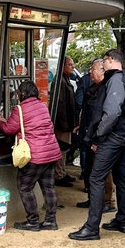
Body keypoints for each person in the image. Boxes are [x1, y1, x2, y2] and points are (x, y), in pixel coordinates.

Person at [68, 49, 125, 241]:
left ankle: (92, 227)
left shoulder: (115, 79)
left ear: (109, 61)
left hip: (112, 138)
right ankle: (122, 220)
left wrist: (99, 135)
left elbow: (112, 112)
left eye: (103, 63)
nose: (101, 67)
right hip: (123, 137)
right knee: (121, 178)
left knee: (96, 178)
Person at [0, 80, 62, 231]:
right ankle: (50, 221)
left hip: (34, 155)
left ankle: (32, 221)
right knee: (48, 187)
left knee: (25, 186)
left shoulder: (20, 109)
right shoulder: (43, 107)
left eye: (18, 93)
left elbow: (9, 129)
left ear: (22, 94)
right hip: (50, 153)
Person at [75, 58, 115, 213]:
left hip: (100, 137)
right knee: (90, 168)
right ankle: (93, 199)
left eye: (93, 69)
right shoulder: (94, 87)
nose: (90, 72)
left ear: (102, 71)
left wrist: (98, 137)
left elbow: (105, 116)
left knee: (103, 171)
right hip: (89, 134)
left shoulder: (107, 89)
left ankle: (107, 201)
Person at [53, 56, 77, 187]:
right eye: (70, 65)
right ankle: (58, 174)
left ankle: (62, 172)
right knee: (60, 148)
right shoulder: (59, 81)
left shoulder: (65, 79)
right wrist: (64, 124)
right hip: (62, 123)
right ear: (62, 66)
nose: (73, 67)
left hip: (67, 122)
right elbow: (60, 105)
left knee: (64, 148)